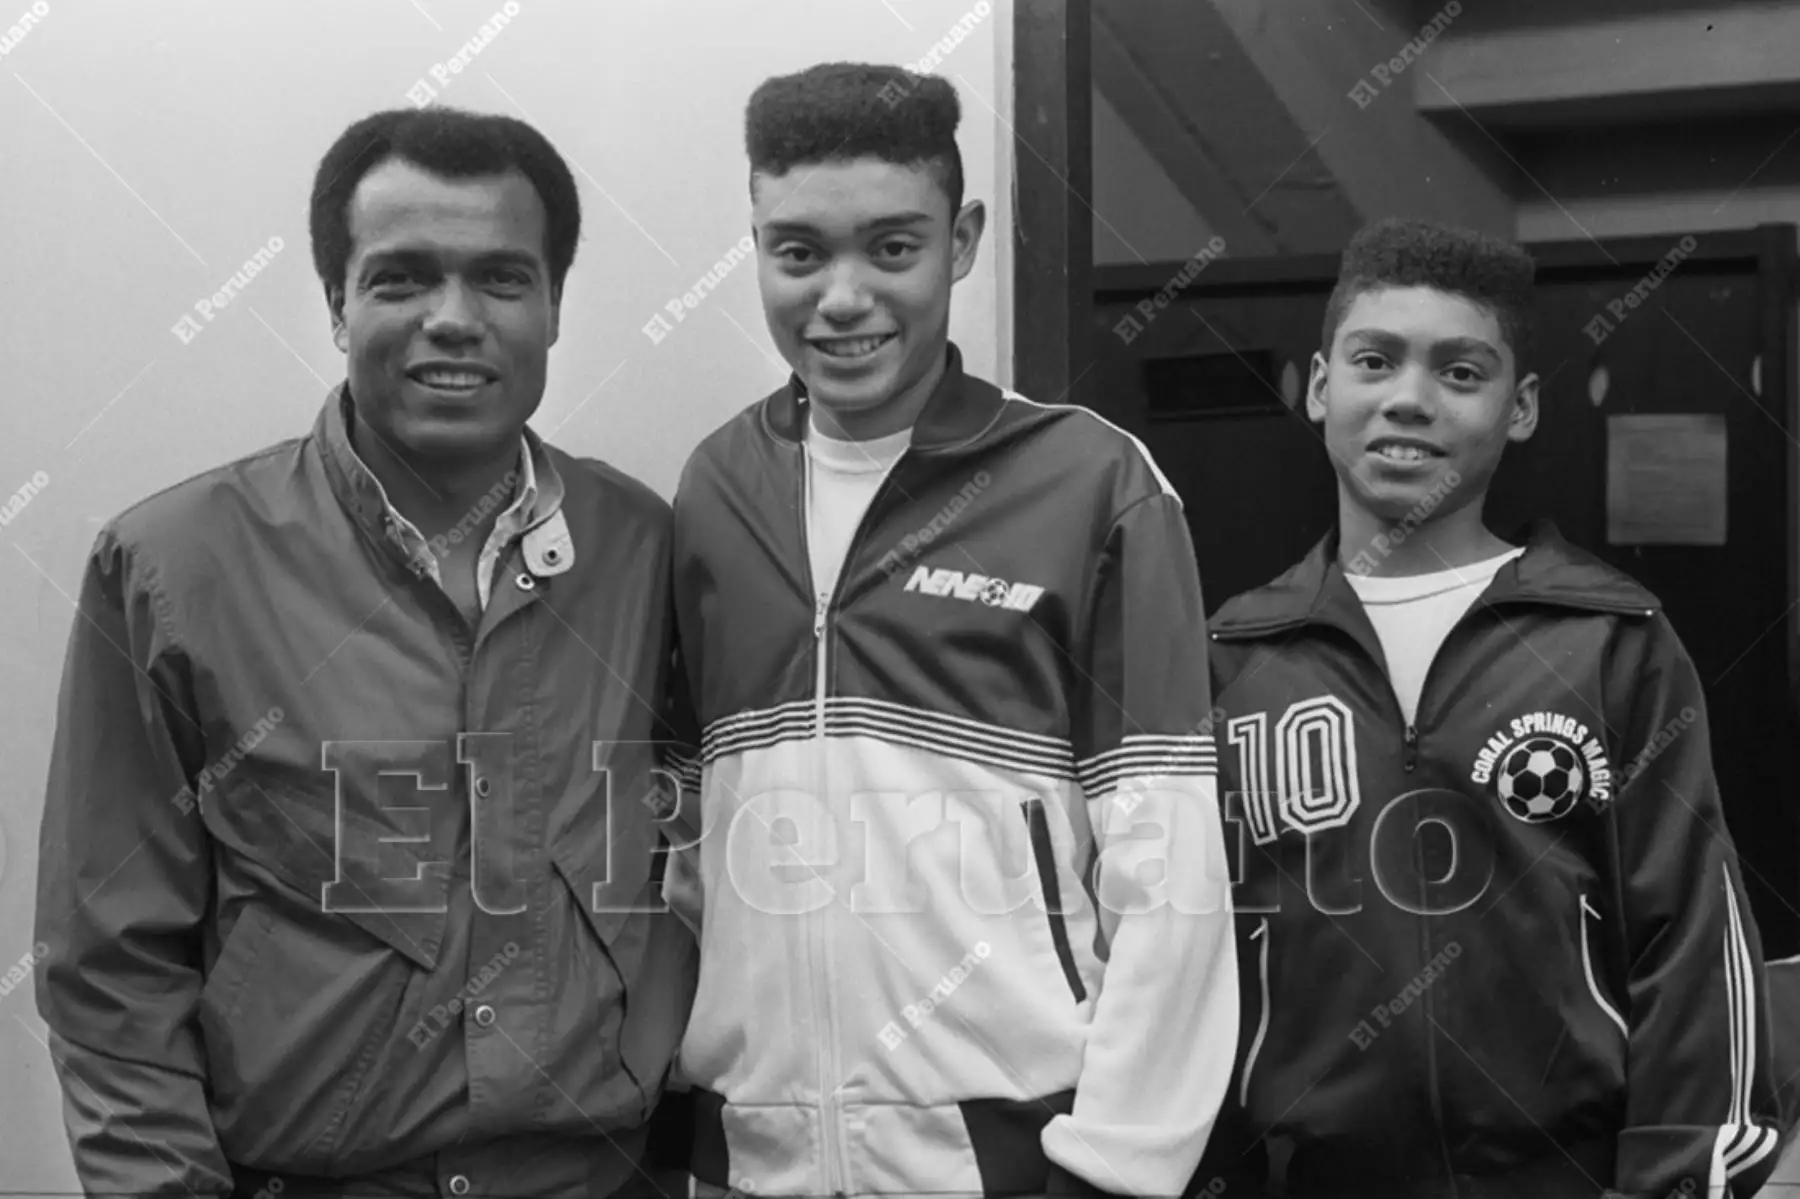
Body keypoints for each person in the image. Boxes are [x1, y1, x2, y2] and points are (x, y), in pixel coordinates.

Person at [34, 107, 695, 1199]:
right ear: (337, 303)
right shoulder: (171, 567)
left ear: (555, 305)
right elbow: (110, 970)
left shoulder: (646, 548)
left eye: (500, 278)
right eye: (400, 279)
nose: (452, 319)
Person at [659, 62, 1237, 1197]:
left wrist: (1118, 1167)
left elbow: (1168, 866)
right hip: (746, 1159)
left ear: (962, 239)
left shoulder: (1089, 480)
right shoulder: (715, 487)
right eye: (798, 252)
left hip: (1012, 1158)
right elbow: (687, 857)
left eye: (891, 247)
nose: (841, 297)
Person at [1202, 217, 1784, 1197]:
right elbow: (1187, 952)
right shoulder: (1232, 655)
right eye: (1375, 361)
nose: (1409, 400)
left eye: (1459, 373)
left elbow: (1691, 937)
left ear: (1519, 408)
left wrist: (1683, 1178)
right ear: (1318, 386)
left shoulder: (1608, 638)